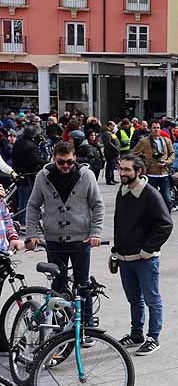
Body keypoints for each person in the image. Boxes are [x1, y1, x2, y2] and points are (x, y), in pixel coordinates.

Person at [25, 141, 104, 329]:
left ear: (75, 157)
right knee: (57, 286)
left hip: (80, 240)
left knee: (82, 285)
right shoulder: (43, 177)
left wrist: (96, 232)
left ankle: (86, 325)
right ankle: (59, 324)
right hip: (54, 240)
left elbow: (97, 205)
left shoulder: (86, 175)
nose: (66, 166)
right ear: (54, 159)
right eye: (61, 162)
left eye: (69, 161)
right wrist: (32, 233)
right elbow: (33, 205)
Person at [113, 155, 173, 356]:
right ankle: (136, 334)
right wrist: (116, 250)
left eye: (127, 170)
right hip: (125, 258)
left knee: (151, 299)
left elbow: (165, 224)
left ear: (138, 171)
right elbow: (119, 223)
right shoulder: (122, 192)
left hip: (145, 259)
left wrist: (148, 249)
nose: (122, 173)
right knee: (134, 300)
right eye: (121, 169)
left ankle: (153, 337)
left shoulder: (150, 194)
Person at [131, 121, 176, 209]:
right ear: (150, 129)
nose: (156, 130)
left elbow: (172, 154)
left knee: (167, 200)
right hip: (151, 174)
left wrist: (167, 161)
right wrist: (143, 164)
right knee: (151, 200)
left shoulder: (166, 140)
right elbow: (133, 154)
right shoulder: (144, 141)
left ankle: (166, 219)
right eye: (154, 128)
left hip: (164, 174)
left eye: (158, 128)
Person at [101, 121, 120, 185]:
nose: (114, 127)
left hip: (113, 153)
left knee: (112, 166)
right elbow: (108, 143)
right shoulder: (107, 133)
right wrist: (115, 148)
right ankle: (109, 180)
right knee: (110, 166)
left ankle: (112, 178)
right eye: (113, 126)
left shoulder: (111, 133)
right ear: (109, 126)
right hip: (110, 153)